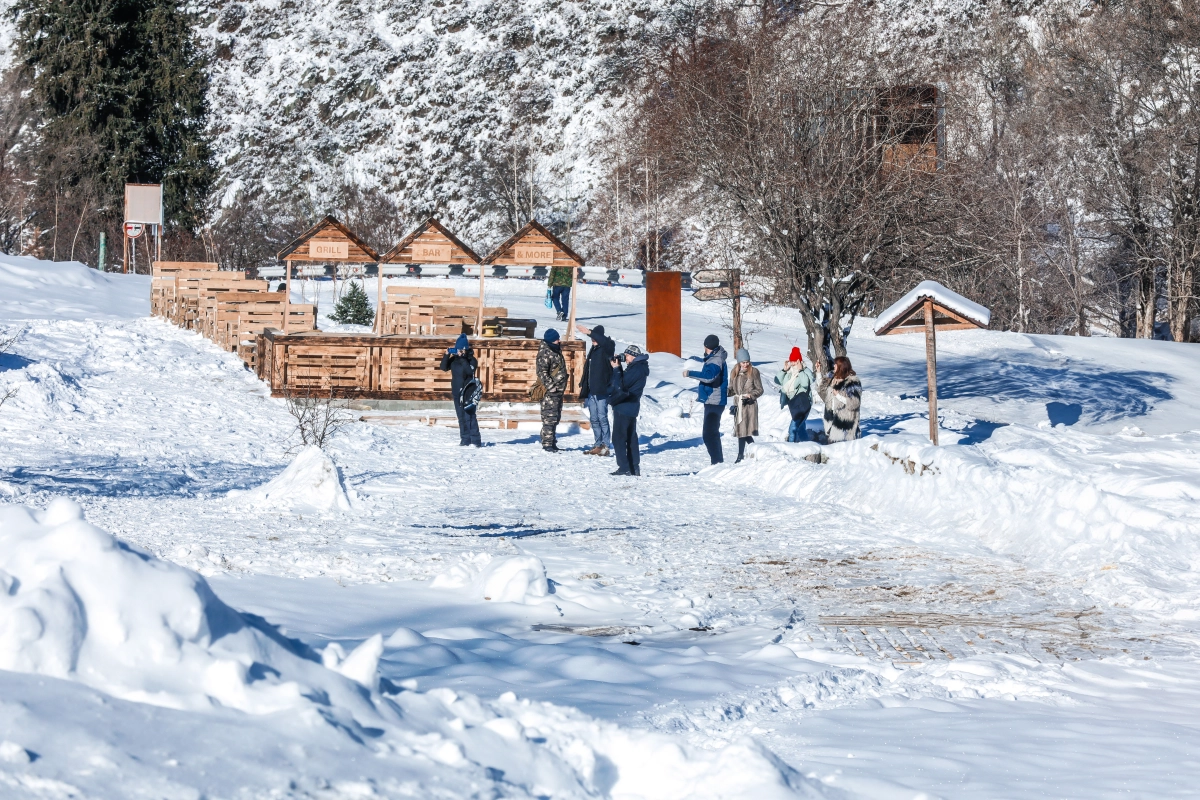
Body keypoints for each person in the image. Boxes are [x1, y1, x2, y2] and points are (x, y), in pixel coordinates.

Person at [683, 334, 728, 465]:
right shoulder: (714, 358)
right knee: (710, 433)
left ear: (708, 347)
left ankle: (717, 462)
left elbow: (709, 377)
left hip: (715, 400)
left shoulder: (716, 360)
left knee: (709, 434)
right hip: (712, 400)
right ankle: (717, 461)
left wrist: (690, 373)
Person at [608, 344, 649, 476]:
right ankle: (633, 467)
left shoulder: (636, 369)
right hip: (631, 406)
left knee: (619, 438)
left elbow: (621, 384)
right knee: (631, 437)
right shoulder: (639, 367)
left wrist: (616, 369)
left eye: (627, 356)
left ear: (633, 356)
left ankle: (624, 467)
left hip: (625, 406)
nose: (625, 358)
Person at [576, 323, 615, 455]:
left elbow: (606, 342)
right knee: (593, 418)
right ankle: (597, 444)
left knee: (602, 417)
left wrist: (589, 332)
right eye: (592, 338)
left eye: (595, 337)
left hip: (602, 390)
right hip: (591, 390)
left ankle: (606, 445)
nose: (593, 340)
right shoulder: (593, 349)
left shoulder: (607, 347)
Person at [439, 333, 481, 447]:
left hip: (468, 393)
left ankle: (476, 441)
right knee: (461, 417)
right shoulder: (454, 360)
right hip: (457, 392)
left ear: (465, 349)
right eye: (456, 349)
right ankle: (465, 440)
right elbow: (443, 367)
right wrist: (446, 355)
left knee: (470, 416)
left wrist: (463, 358)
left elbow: (469, 371)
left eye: (460, 349)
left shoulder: (471, 360)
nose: (458, 351)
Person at [537, 328, 569, 452]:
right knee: (549, 418)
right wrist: (551, 386)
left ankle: (552, 442)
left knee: (555, 417)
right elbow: (542, 372)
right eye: (556, 339)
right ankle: (547, 444)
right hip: (550, 392)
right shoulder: (546, 352)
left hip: (558, 391)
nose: (559, 341)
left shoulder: (555, 349)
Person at [728, 348, 763, 463]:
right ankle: (756, 452)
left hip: (749, 405)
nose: (746, 364)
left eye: (747, 361)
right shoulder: (734, 372)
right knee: (741, 431)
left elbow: (760, 389)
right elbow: (732, 389)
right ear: (739, 362)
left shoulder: (754, 372)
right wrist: (724, 392)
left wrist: (751, 396)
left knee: (744, 431)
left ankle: (740, 456)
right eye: (743, 362)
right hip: (738, 404)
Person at [775, 347, 815, 443]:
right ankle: (808, 447)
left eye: (794, 361)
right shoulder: (789, 371)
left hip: (803, 403)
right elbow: (777, 381)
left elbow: (805, 384)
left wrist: (801, 371)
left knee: (793, 428)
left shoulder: (806, 371)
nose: (792, 363)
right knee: (800, 428)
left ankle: (791, 447)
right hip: (793, 403)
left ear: (799, 360)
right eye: (791, 361)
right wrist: (784, 370)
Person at [819, 355, 862, 443]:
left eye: (836, 365)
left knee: (840, 449)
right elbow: (820, 388)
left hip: (844, 423)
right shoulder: (832, 377)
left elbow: (854, 403)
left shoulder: (852, 382)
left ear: (841, 367)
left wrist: (838, 395)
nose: (834, 366)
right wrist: (818, 372)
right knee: (831, 445)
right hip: (830, 418)